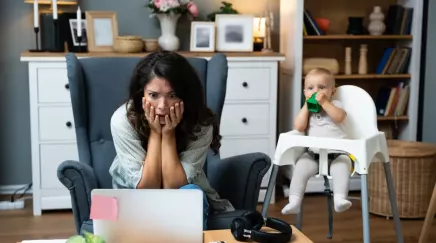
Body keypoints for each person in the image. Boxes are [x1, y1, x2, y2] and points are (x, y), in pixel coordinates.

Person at [108, 51, 235, 230]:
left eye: (172, 95)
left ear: (186, 96)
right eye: (153, 95)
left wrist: (167, 134)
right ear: (141, 94)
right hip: (129, 196)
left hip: (182, 193)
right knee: (102, 206)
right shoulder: (122, 119)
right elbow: (146, 188)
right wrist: (154, 133)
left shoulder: (201, 123)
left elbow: (174, 187)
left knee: (191, 194)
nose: (162, 106)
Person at [281, 67, 352, 215]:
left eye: (322, 87)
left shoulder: (335, 105)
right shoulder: (308, 110)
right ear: (305, 93)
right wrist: (306, 108)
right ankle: (294, 201)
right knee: (300, 167)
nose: (316, 92)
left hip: (337, 154)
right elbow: (299, 127)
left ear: (333, 91)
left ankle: (339, 199)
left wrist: (325, 103)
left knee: (342, 168)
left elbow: (340, 117)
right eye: (310, 88)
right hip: (314, 154)